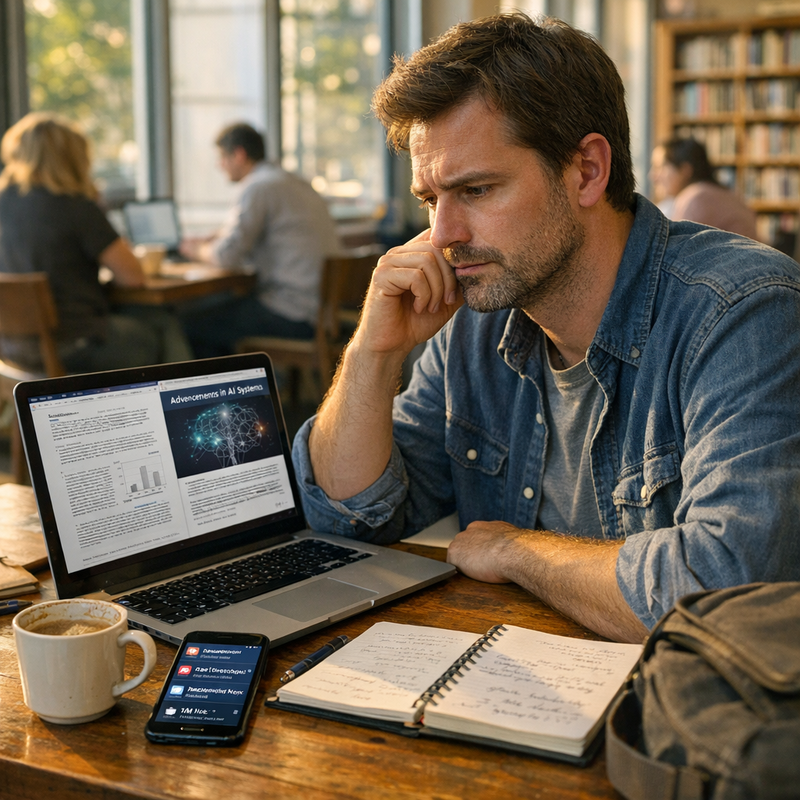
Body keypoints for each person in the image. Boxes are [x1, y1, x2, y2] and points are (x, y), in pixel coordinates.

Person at [291, 13, 800, 643]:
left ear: (586, 170)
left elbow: (725, 591)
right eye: (431, 199)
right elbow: (351, 517)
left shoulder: (742, 311)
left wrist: (515, 551)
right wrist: (373, 351)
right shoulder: (475, 318)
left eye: (475, 189)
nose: (443, 235)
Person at [0, 112, 192, 373]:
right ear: (72, 157)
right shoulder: (75, 206)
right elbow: (132, 277)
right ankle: (182, 404)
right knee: (162, 323)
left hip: (12, 348)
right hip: (72, 346)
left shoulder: (5, 203)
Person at [179, 122, 341, 358]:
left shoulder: (257, 187)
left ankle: (228, 393)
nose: (219, 165)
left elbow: (227, 255)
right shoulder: (295, 182)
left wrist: (195, 249)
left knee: (190, 324)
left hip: (292, 313)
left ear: (239, 154)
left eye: (222, 158)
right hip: (325, 314)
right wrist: (216, 236)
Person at [650, 137, 758, 239]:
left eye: (660, 167)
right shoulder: (722, 193)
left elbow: (676, 252)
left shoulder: (695, 197)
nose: (653, 176)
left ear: (685, 170)